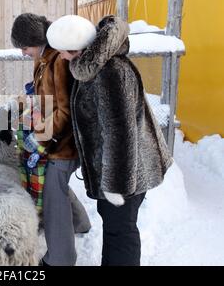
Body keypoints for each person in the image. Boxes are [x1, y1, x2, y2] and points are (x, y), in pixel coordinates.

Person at [46, 14, 173, 266]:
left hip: (126, 174)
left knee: (120, 232)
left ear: (77, 47)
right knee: (115, 228)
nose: (61, 56)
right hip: (118, 171)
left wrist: (116, 186)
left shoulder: (109, 73)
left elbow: (119, 134)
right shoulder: (93, 67)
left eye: (63, 51)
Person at [9, 13, 91, 266]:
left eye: (24, 47)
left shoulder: (58, 60)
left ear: (35, 41)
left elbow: (65, 111)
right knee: (56, 187)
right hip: (53, 137)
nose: (23, 52)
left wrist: (42, 140)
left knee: (53, 197)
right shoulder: (44, 58)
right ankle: (80, 223)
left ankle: (60, 259)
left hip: (62, 146)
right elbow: (46, 99)